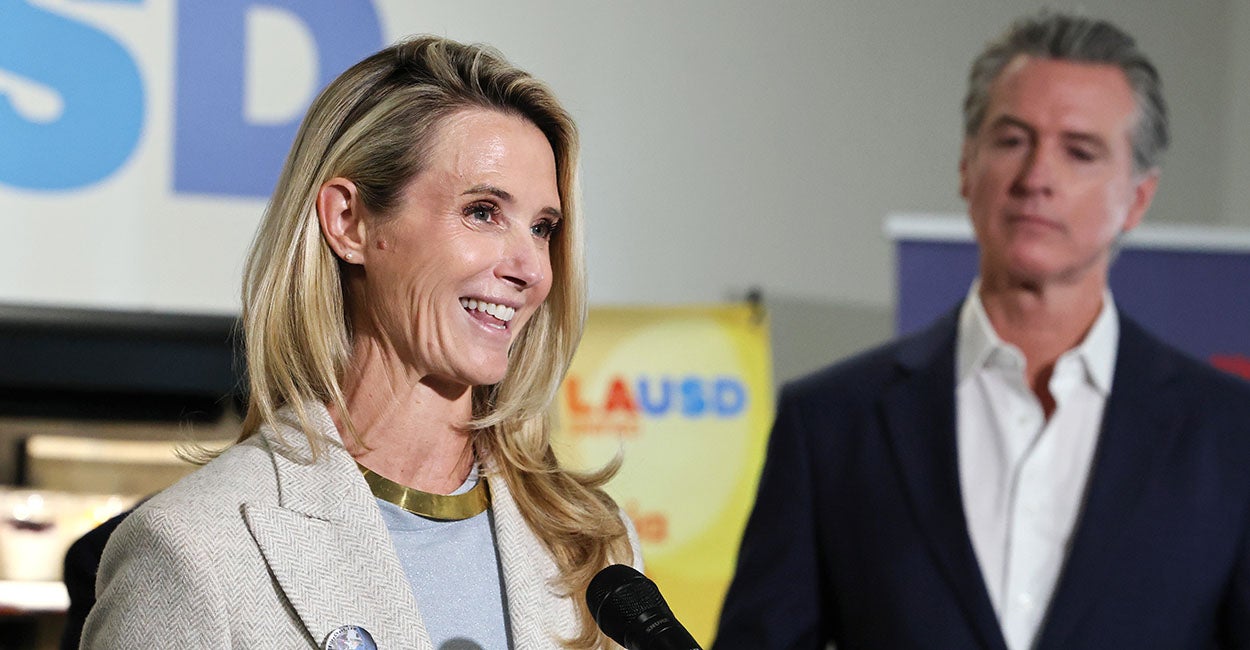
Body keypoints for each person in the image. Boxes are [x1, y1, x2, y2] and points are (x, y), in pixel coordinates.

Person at [82, 36, 641, 649]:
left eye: (543, 228)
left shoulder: (592, 546)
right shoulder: (196, 548)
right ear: (349, 222)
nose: (531, 268)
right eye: (483, 212)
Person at [714, 11, 1250, 650]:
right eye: (1013, 140)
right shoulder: (831, 423)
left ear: (1138, 198)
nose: (1036, 178)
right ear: (967, 166)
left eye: (1079, 151)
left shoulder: (1230, 434)